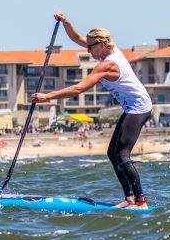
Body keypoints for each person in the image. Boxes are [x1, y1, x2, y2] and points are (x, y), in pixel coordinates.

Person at [32, 12, 153, 208]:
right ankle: (129, 198)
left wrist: (47, 97)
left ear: (102, 44)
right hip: (132, 106)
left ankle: (140, 201)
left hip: (139, 107)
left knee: (122, 155)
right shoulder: (109, 50)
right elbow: (77, 38)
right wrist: (66, 22)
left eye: (91, 47)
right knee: (111, 153)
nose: (88, 51)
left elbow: (79, 88)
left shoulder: (108, 64)